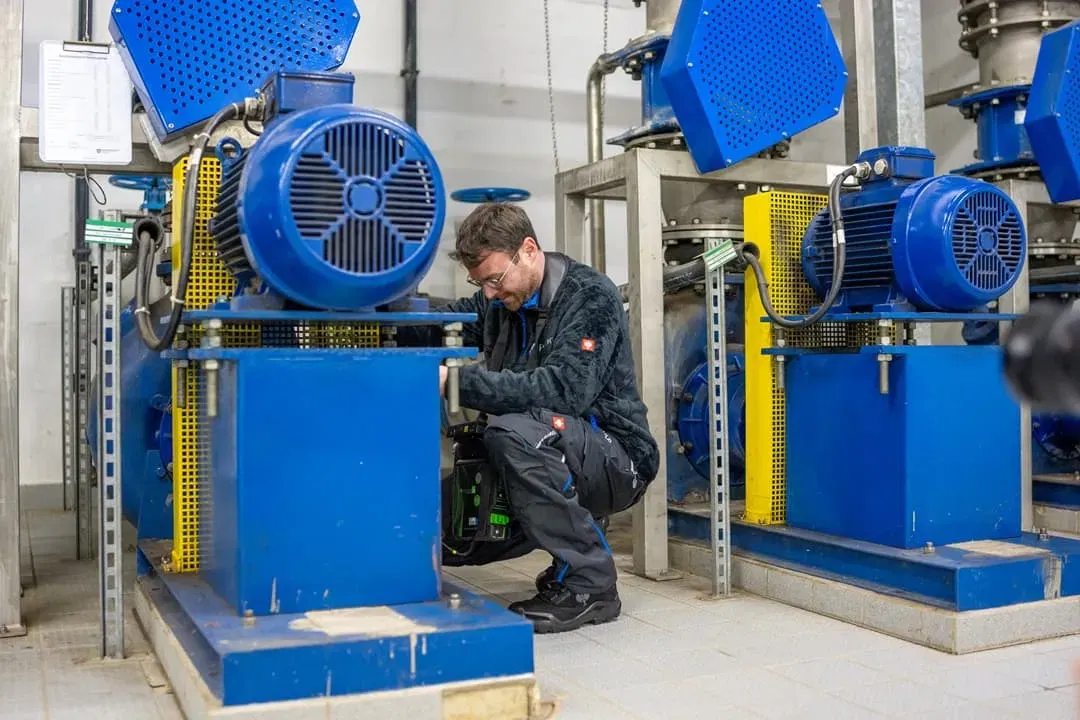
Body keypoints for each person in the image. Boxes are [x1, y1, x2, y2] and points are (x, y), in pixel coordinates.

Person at [431, 202, 660, 634]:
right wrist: (378, 314)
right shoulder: (501, 303)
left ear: (529, 249)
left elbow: (564, 391)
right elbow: (449, 321)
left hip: (617, 458)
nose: (490, 295)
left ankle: (591, 584)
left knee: (512, 432)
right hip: (545, 445)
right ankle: (564, 556)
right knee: (449, 534)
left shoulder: (591, 296)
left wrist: (454, 381)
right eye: (481, 284)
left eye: (495, 280)